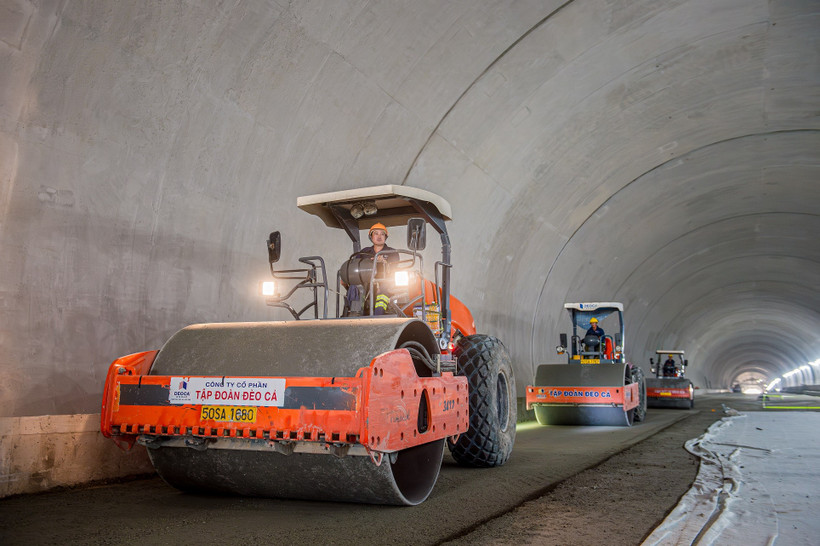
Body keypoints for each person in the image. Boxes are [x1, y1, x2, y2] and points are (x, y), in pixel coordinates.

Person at [345, 223, 399, 315]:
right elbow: (355, 265)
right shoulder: (364, 252)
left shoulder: (392, 252)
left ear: (385, 237)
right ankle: (355, 313)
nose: (379, 236)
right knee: (354, 286)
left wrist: (384, 262)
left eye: (382, 234)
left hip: (385, 282)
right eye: (376, 233)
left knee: (383, 291)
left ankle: (378, 315)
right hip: (366, 282)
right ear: (371, 236)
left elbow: (394, 267)